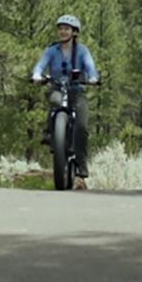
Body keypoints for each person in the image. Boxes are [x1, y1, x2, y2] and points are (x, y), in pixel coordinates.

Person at [32, 14, 100, 177]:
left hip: (77, 91)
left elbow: (90, 67)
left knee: (82, 126)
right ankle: (50, 132)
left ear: (74, 32)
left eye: (66, 29)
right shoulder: (51, 50)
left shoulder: (82, 50)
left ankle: (82, 163)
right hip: (57, 87)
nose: (63, 32)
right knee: (55, 100)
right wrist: (37, 75)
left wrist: (92, 78)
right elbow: (40, 65)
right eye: (60, 29)